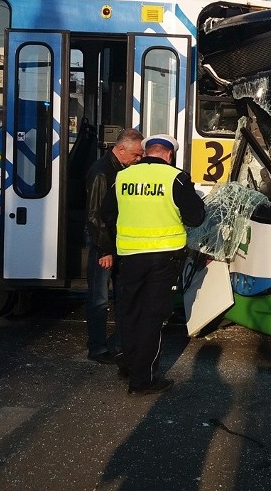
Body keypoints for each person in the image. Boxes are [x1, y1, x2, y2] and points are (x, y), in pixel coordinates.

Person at [101, 134, 206, 396]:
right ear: (169, 155)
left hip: (129, 256)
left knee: (130, 311)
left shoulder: (123, 177)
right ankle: (142, 380)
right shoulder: (176, 178)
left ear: (147, 152)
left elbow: (106, 215)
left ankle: (128, 363)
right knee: (153, 316)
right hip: (163, 258)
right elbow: (195, 218)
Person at [84, 127, 144, 364]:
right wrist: (105, 250)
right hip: (104, 243)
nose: (139, 159)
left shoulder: (118, 169)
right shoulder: (102, 173)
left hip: (115, 241)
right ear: (120, 149)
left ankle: (120, 344)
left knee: (120, 294)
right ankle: (97, 348)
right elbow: (95, 216)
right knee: (99, 296)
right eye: (136, 155)